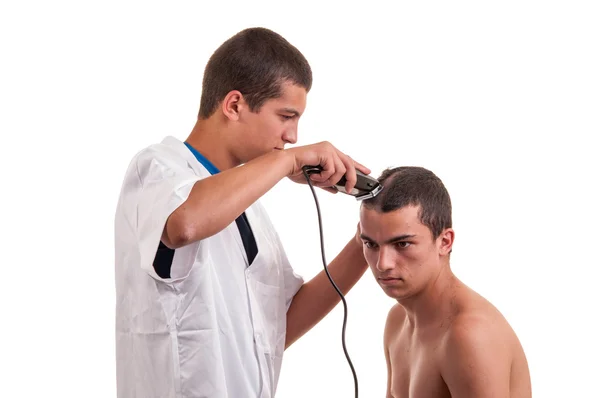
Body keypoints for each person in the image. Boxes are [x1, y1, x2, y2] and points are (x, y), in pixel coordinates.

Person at [114, 27, 371, 398]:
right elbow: (185, 224)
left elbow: (279, 326)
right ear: (234, 105)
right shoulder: (157, 168)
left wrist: (368, 240)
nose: (293, 136)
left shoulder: (250, 213)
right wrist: (290, 162)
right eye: (286, 116)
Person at [358, 166, 532, 397]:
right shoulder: (398, 321)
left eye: (402, 244)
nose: (383, 264)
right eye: (371, 244)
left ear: (445, 242)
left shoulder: (469, 335)